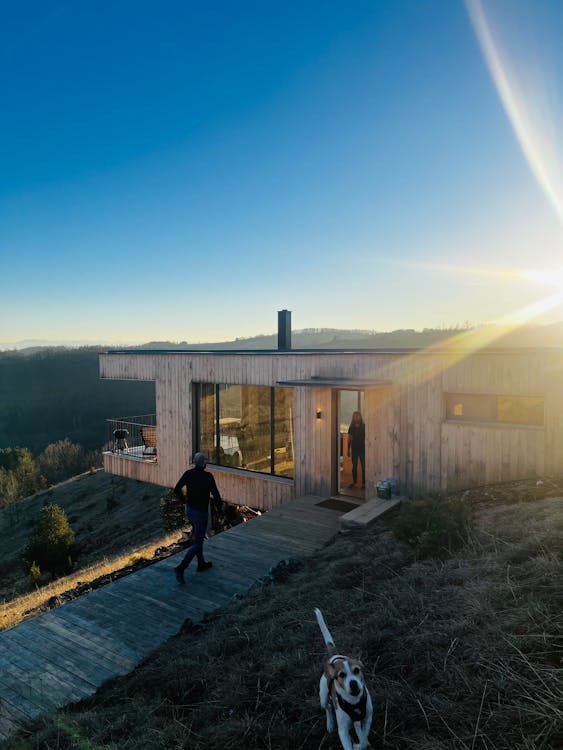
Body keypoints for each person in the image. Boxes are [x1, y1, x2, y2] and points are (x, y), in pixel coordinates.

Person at [173, 452, 222, 584]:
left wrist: (184, 501)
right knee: (198, 542)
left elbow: (177, 489)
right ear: (203, 463)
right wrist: (220, 509)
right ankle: (181, 567)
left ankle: (201, 563)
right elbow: (216, 494)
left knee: (198, 537)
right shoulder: (208, 476)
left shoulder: (188, 474)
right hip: (201, 512)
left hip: (190, 510)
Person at [347, 410, 365, 489]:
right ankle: (355, 483)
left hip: (362, 449)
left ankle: (364, 483)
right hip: (354, 449)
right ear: (353, 417)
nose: (357, 417)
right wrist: (348, 449)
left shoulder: (364, 426)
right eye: (355, 416)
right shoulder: (351, 427)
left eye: (358, 416)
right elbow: (349, 439)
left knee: (364, 467)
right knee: (354, 467)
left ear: (360, 417)